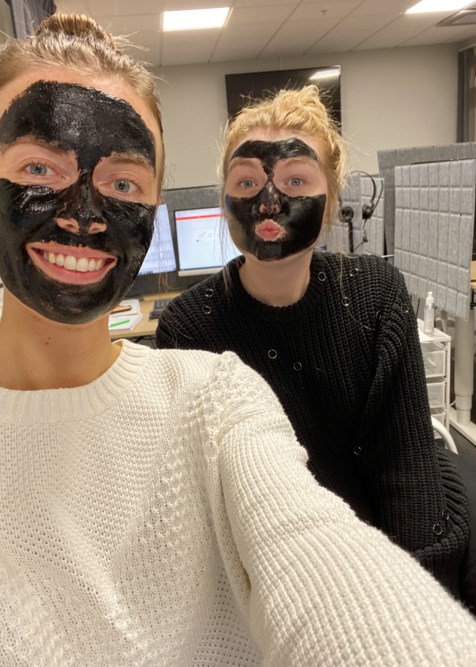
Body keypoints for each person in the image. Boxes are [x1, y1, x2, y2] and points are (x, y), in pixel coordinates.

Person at [0, 13, 476, 666]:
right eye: (39, 168)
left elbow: (306, 531)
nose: (84, 215)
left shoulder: (213, 394)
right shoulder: (193, 328)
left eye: (123, 183)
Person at [156, 86, 474, 607]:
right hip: (276, 574)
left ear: (331, 201)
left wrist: (417, 606)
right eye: (247, 182)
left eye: (296, 181)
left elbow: (406, 474)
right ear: (224, 201)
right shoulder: (188, 329)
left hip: (385, 552)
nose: (269, 201)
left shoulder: (376, 295)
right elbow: (206, 513)